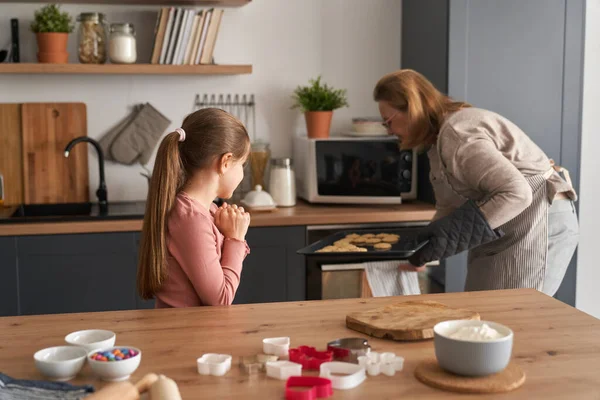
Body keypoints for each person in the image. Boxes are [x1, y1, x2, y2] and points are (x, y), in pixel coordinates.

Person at [373, 69, 579, 296]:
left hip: (538, 218)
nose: (390, 131)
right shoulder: (438, 143)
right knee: (483, 309)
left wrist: (447, 238)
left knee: (508, 315)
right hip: (505, 223)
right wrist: (423, 251)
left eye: (388, 122)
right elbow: (448, 207)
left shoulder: (458, 133)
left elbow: (517, 193)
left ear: (412, 108)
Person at [137, 108, 252, 307]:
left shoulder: (202, 212)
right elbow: (221, 299)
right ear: (225, 162)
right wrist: (235, 239)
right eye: (242, 164)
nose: (241, 174)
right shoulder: (191, 219)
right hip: (185, 335)